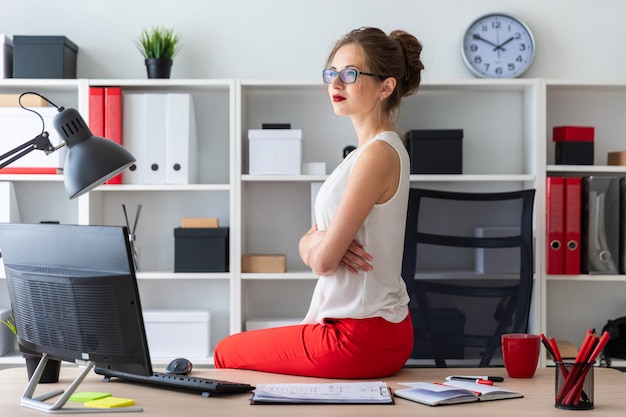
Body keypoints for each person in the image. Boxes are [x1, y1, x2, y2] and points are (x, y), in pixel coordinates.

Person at [214, 27, 424, 379]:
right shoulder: (365, 154)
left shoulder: (379, 154)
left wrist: (316, 245)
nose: (335, 85)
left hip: (358, 335)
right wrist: (311, 242)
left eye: (350, 74)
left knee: (225, 352)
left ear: (385, 87)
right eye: (332, 73)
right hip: (373, 330)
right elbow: (318, 246)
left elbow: (325, 260)